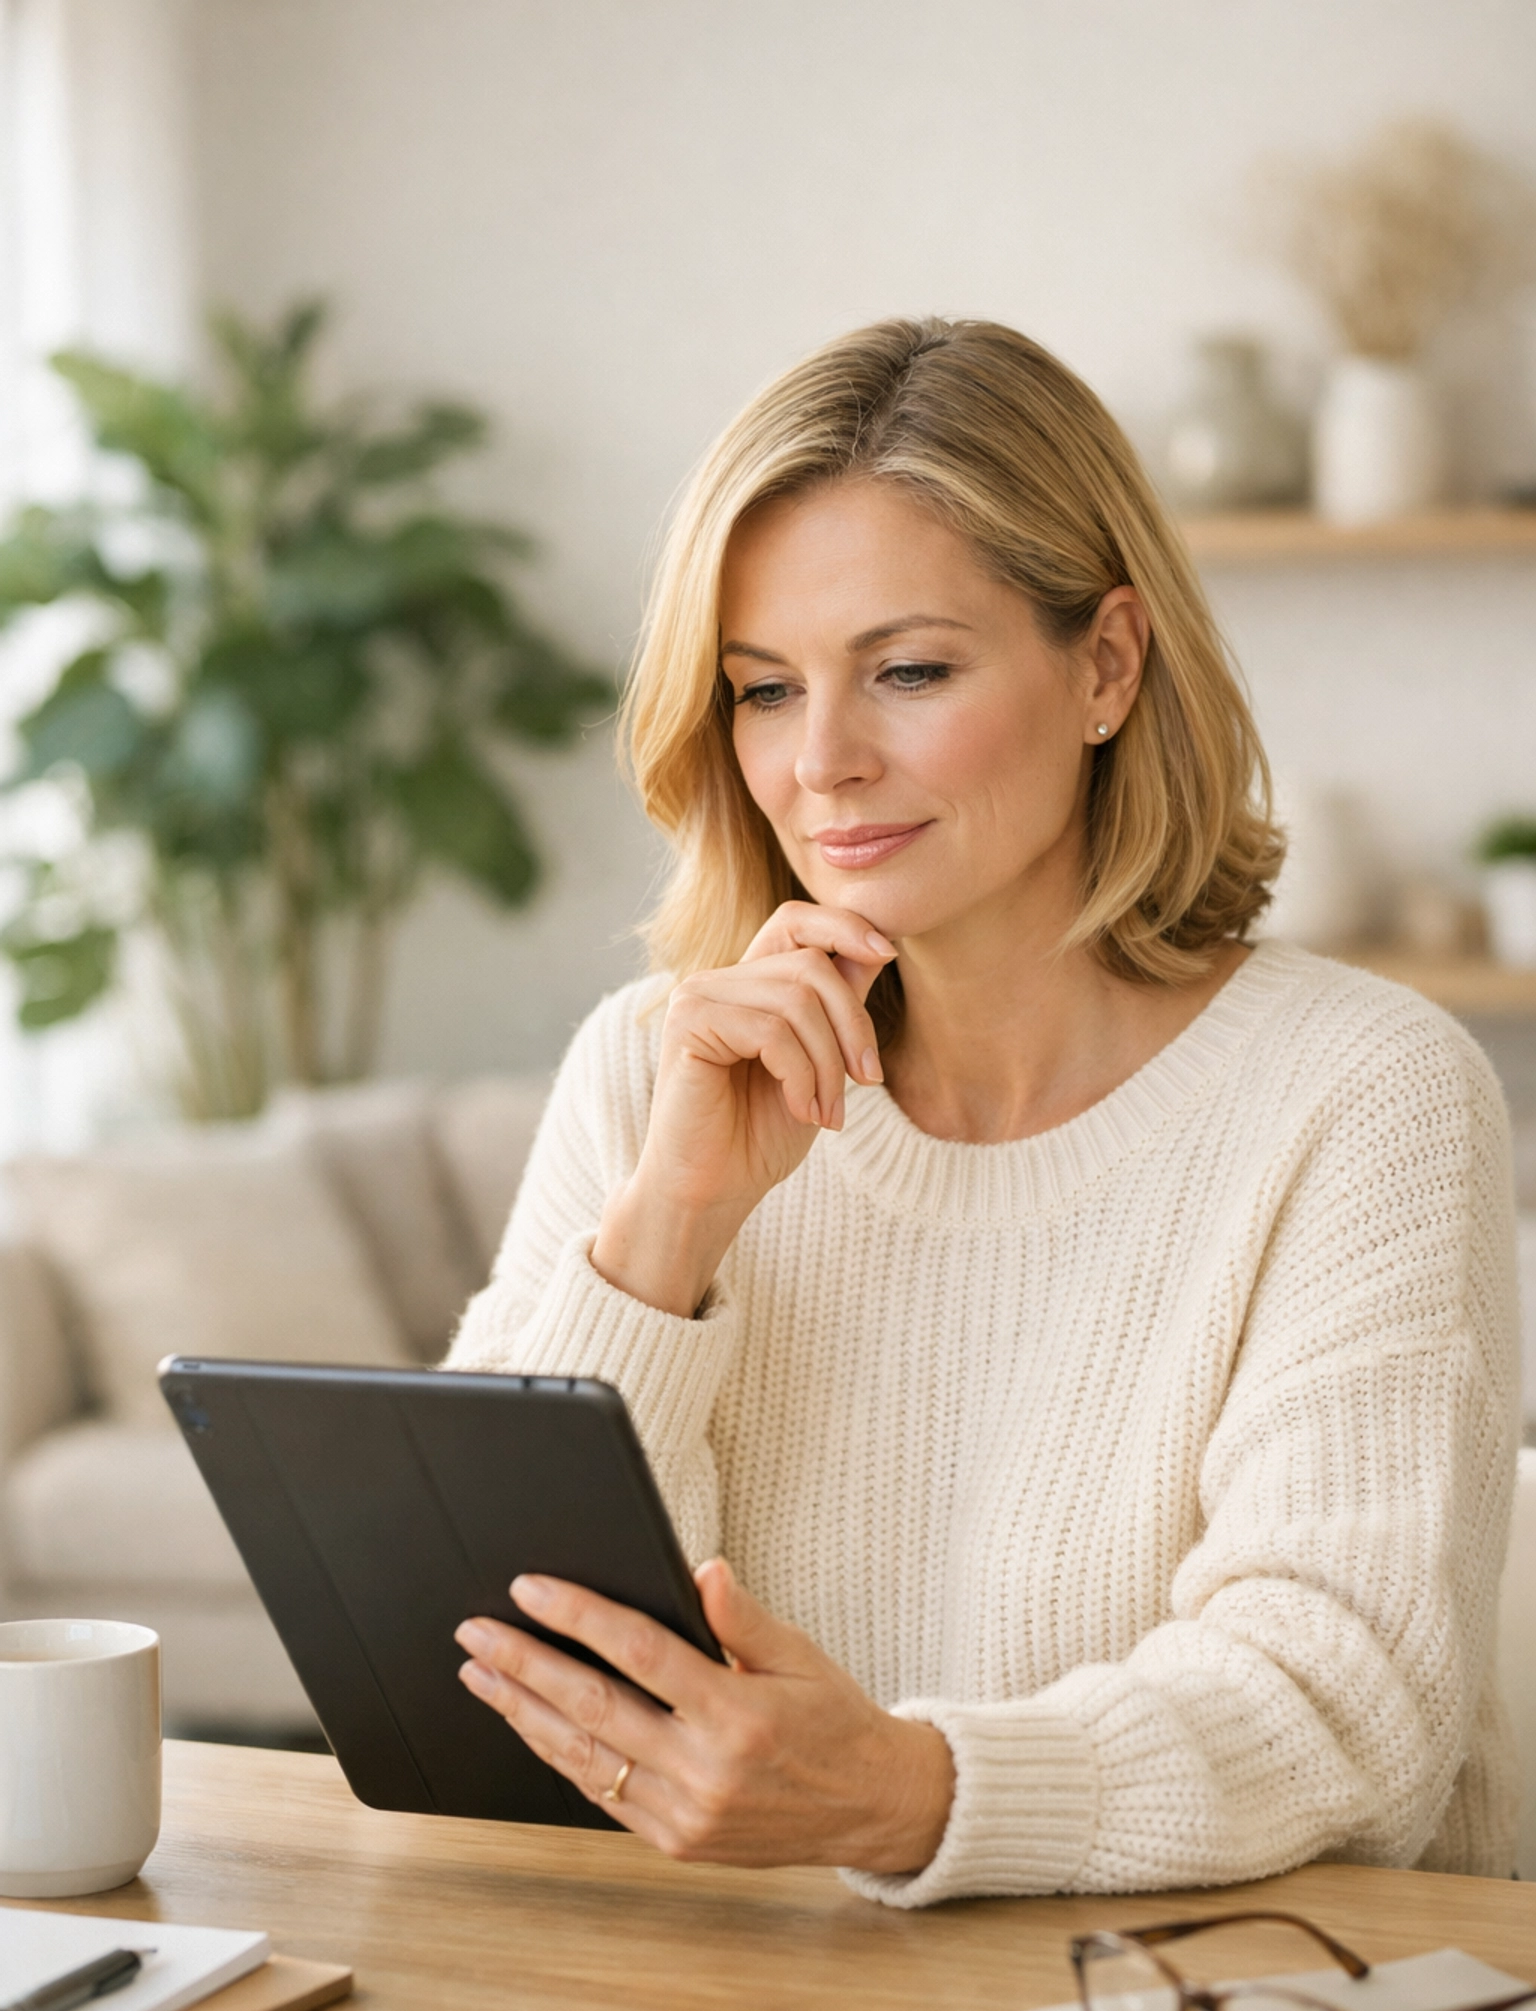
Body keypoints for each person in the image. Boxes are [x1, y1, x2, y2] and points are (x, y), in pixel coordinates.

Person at [448, 317, 1519, 1905]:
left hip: (1216, 2009)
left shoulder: (1365, 1095)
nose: (821, 763)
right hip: (737, 2000)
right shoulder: (650, 1067)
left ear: (1106, 667)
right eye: (762, 690)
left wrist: (905, 1795)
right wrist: (665, 1234)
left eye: (909, 672)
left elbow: (1342, 1701)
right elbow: (474, 1658)